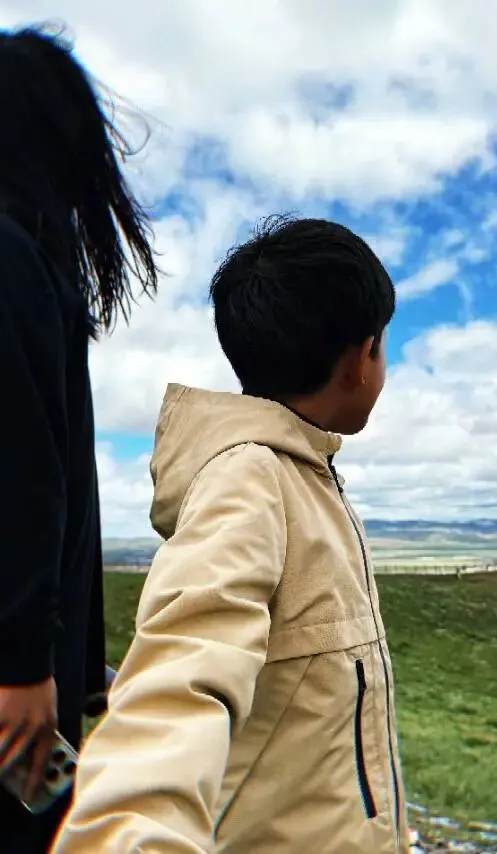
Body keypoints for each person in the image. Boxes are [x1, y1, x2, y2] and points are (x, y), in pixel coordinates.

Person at [54, 216, 410, 853]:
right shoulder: (251, 478)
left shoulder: (305, 473)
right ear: (362, 359)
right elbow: (179, 677)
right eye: (383, 344)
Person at [0, 24, 157, 853]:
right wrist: (26, 664)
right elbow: (25, 478)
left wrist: (73, 656)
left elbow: (49, 480)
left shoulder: (26, 260)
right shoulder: (12, 255)